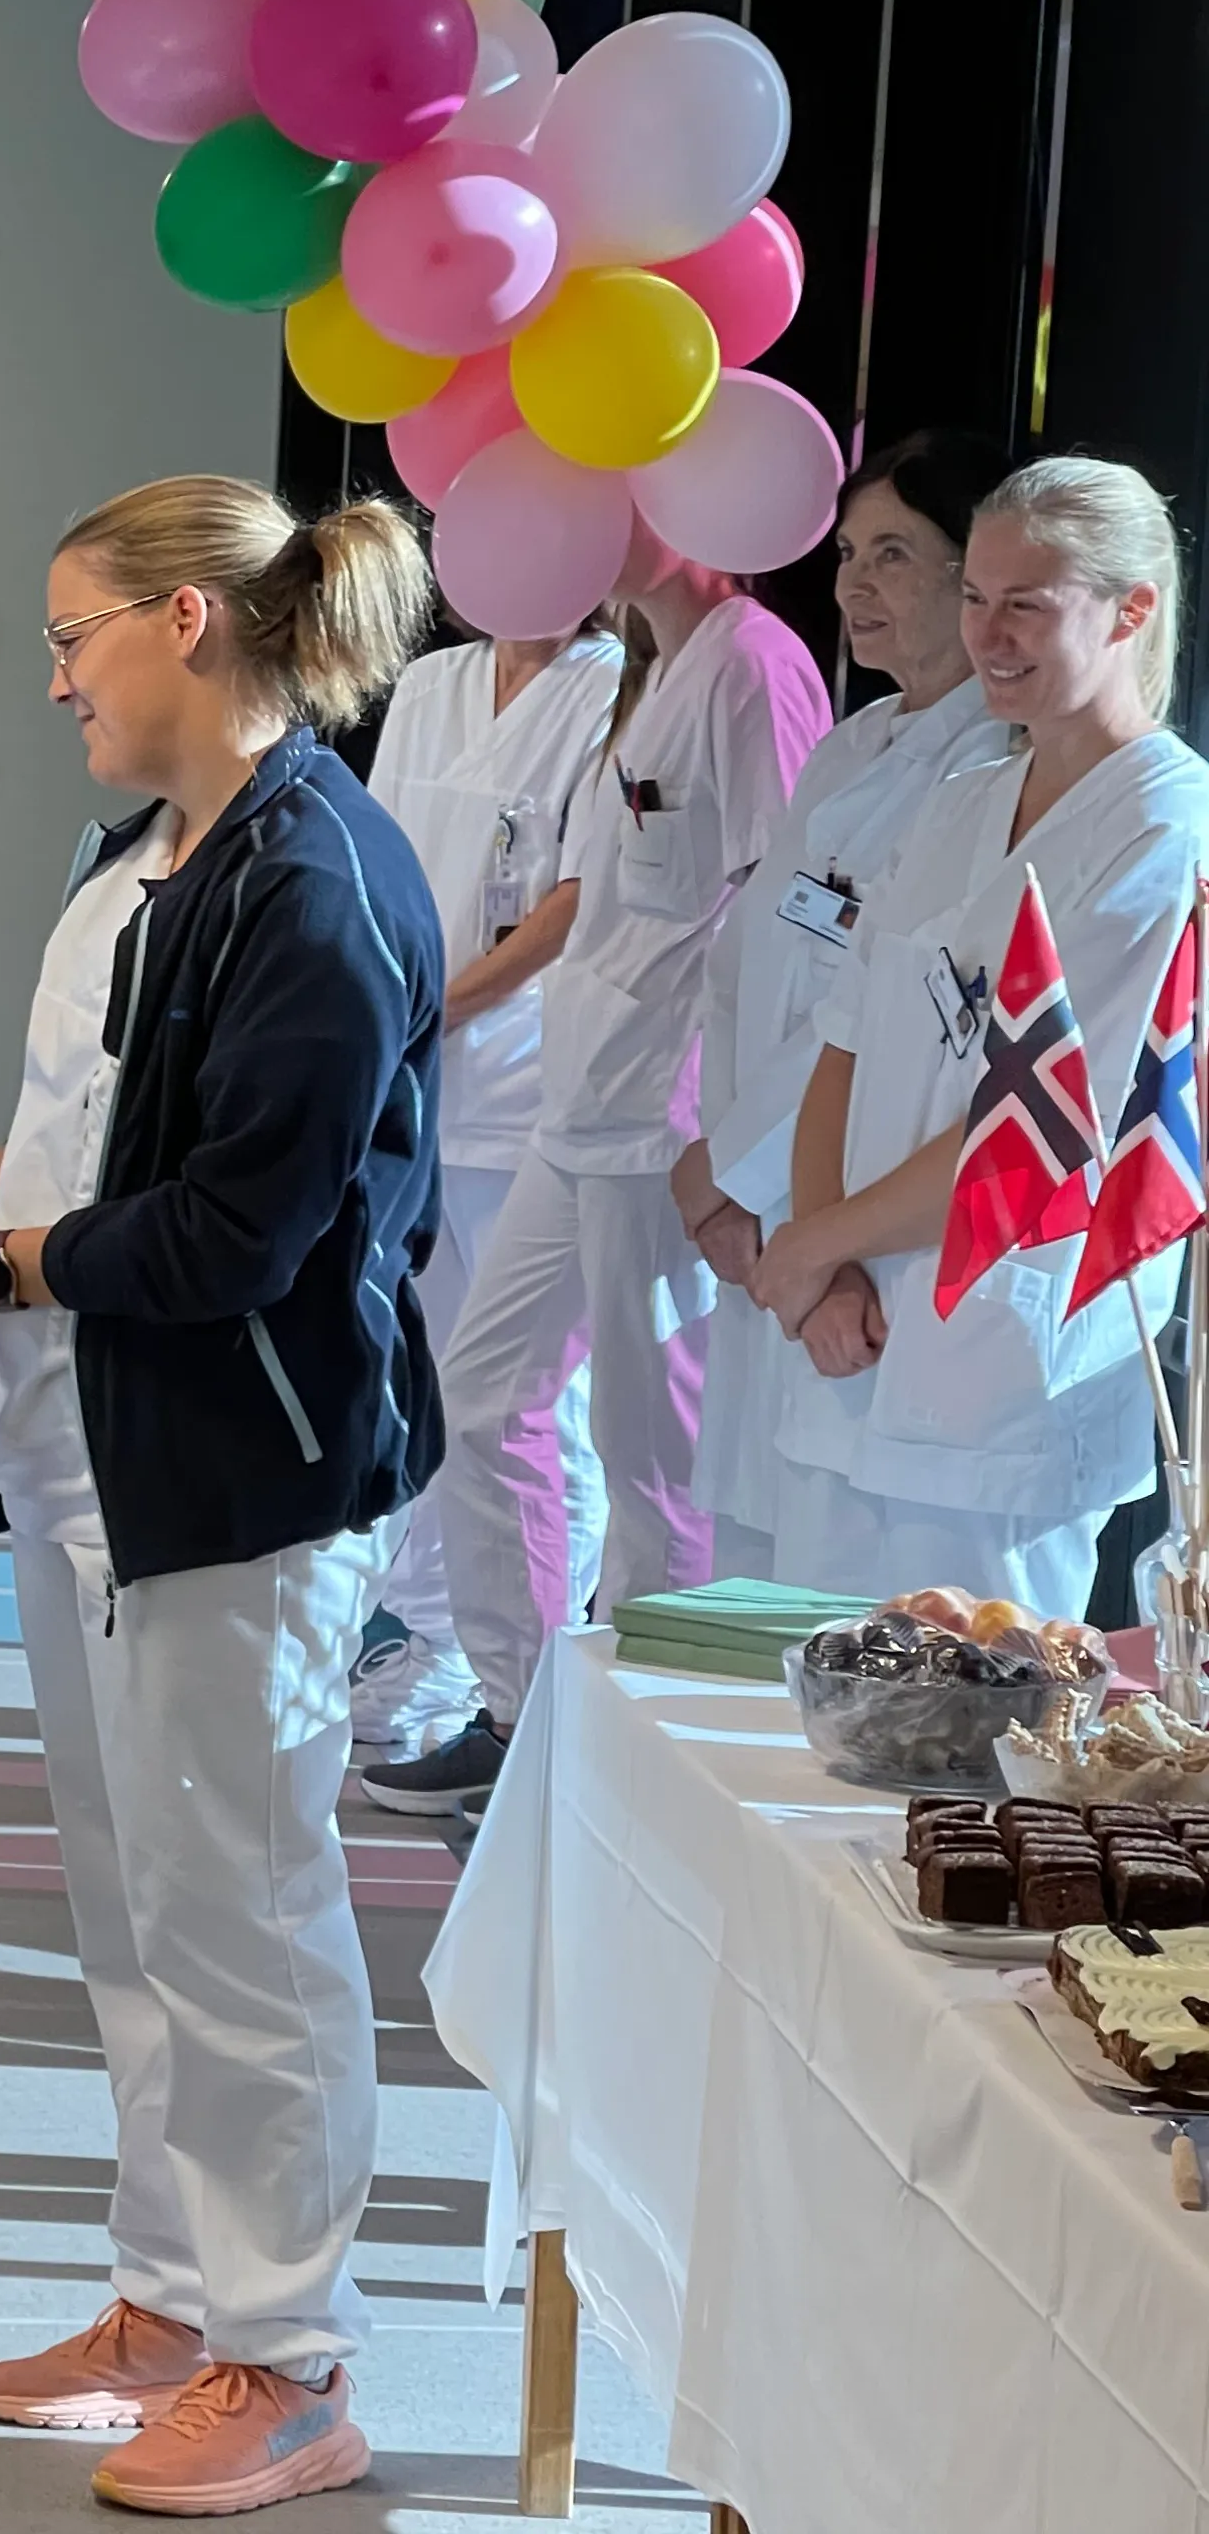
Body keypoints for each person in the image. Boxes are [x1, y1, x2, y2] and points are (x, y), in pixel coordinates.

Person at [0, 478, 439, 2517]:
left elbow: (239, 1226)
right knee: (139, 1913)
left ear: (185, 623)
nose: (54, 673)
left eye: (75, 634)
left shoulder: (316, 883)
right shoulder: (142, 858)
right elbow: (77, 1138)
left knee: (245, 1919)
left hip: (237, 1475)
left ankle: (295, 2353)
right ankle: (173, 2300)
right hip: (93, 1462)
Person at [366, 543, 831, 1817]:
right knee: (477, 1392)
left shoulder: (754, 667)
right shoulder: (658, 669)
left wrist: (727, 1136)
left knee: (653, 1448)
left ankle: (654, 1760)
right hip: (587, 1105)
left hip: (662, 1127)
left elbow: (802, 913)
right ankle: (525, 1714)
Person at [751, 456, 1207, 1609]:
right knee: (813, 1726)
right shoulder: (960, 797)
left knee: (977, 1742)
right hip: (851, 1339)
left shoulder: (1167, 825)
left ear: (1131, 610)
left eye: (1027, 604)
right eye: (975, 598)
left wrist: (815, 1248)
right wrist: (827, 1252)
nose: (988, 635)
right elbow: (844, 1042)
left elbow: (1047, 1125)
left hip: (1000, 1374)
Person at [674, 435, 1017, 1585]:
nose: (855, 586)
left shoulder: (995, 771)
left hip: (854, 1232)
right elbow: (755, 972)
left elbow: (876, 1025)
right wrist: (728, 1173)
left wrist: (744, 1176)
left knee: (848, 1606)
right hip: (771, 1216)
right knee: (748, 1566)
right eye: (847, 556)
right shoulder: (856, 740)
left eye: (896, 557)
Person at [349, 617, 625, 1753]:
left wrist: (444, 1004)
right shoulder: (430, 683)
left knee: (526, 1404)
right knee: (431, 1378)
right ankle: (427, 1630)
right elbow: (384, 851)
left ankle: (522, 1674)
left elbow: (576, 894)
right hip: (415, 1085)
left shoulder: (610, 687)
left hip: (523, 1088)